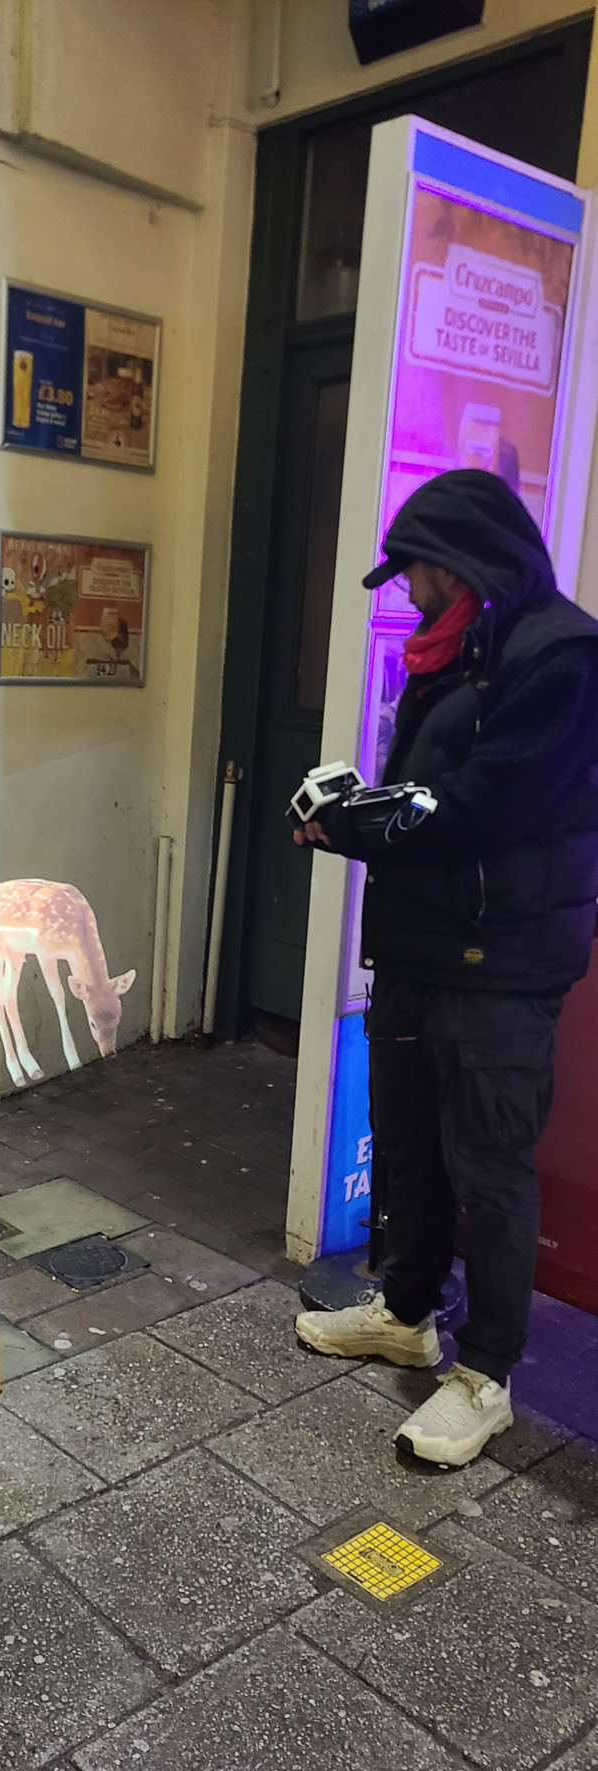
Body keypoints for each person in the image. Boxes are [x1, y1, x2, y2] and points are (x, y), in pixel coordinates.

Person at [293, 468, 598, 1467]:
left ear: (466, 559)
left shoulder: (561, 656)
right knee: (412, 1145)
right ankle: (409, 1310)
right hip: (423, 946)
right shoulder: (454, 646)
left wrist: (353, 821)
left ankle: (487, 1376)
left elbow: (481, 805)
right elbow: (425, 792)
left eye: (417, 569)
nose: (410, 591)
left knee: (492, 1170)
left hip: (502, 963)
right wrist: (358, 809)